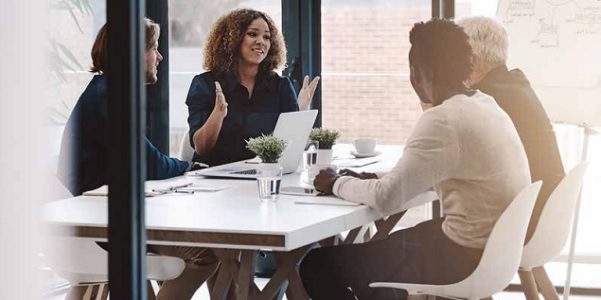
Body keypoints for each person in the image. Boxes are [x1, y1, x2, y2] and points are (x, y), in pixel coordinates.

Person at [300, 19, 531, 300]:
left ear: (420, 73)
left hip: (464, 259)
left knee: (318, 265)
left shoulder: (443, 119)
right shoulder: (485, 104)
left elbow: (387, 198)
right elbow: (422, 173)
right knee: (381, 257)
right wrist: (373, 178)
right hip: (494, 253)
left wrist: (335, 182)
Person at [57, 19, 219, 300]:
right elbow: (148, 163)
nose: (160, 56)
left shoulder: (105, 91)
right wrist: (190, 168)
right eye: (154, 48)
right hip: (98, 228)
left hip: (101, 220)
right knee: (206, 254)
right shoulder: (109, 98)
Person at [457, 16, 565, 242]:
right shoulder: (515, 84)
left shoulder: (486, 99)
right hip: (549, 215)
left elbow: (451, 158)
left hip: (521, 224)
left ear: (472, 60)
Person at [185, 8, 319, 168]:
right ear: (233, 39)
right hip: (214, 177)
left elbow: (291, 147)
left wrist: (300, 113)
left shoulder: (281, 87)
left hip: (263, 175)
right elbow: (202, 148)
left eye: (267, 37)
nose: (261, 41)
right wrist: (218, 115)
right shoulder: (205, 84)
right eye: (252, 34)